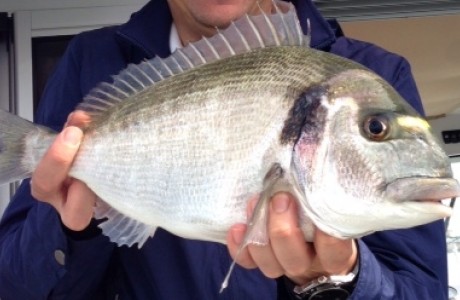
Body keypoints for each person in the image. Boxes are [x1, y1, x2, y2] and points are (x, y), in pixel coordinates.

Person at [0, 0, 448, 299]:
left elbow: (420, 287)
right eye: (375, 128)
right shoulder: (91, 61)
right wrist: (72, 229)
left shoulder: (377, 72)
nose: (375, 128)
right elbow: (13, 284)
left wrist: (339, 284)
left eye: (374, 129)